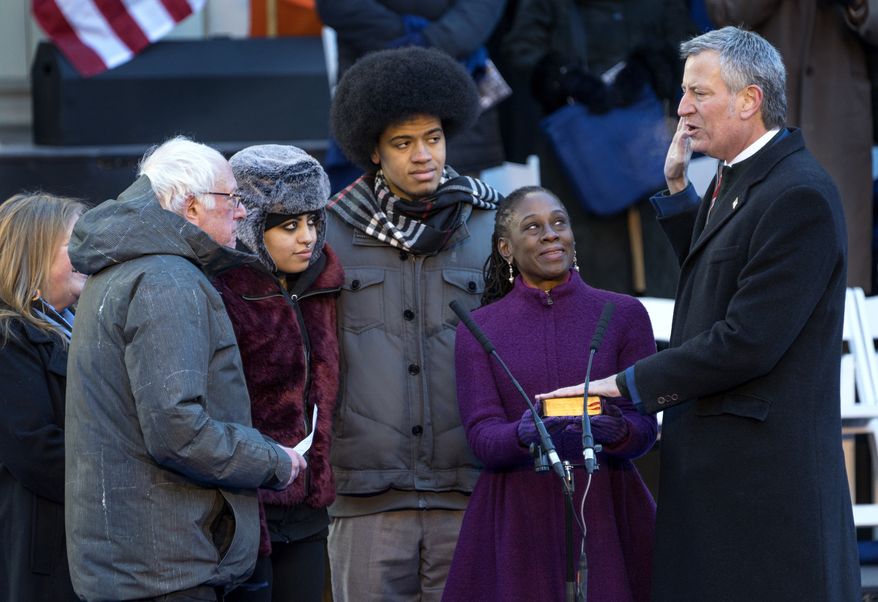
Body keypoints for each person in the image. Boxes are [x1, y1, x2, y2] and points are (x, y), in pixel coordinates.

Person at [539, 27, 861, 600]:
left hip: (764, 488)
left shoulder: (798, 194)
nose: (682, 107)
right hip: (729, 475)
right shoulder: (744, 178)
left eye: (698, 93)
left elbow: (747, 339)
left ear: (749, 100)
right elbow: (724, 273)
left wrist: (628, 384)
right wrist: (678, 192)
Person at [65, 136, 308, 601]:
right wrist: (274, 460)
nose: (241, 211)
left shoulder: (125, 268)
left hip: (141, 561)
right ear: (191, 206)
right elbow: (178, 430)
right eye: (231, 198)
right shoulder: (166, 278)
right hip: (166, 565)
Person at [324, 46, 503, 601]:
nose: (423, 155)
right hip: (366, 492)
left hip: (471, 487)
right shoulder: (328, 234)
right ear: (374, 150)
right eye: (403, 143)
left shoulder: (498, 224)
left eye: (433, 138)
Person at [441, 186, 657, 602]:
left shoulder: (624, 314)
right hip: (517, 518)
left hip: (609, 509)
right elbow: (482, 437)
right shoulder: (479, 328)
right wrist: (524, 432)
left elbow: (644, 428)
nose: (551, 234)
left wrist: (614, 429)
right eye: (533, 227)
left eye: (559, 223)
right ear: (506, 247)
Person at [216, 145, 343, 602]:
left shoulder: (325, 284)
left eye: (313, 221)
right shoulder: (222, 290)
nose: (307, 237)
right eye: (289, 226)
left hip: (310, 502)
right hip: (249, 506)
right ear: (250, 226)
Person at [500, 0, 696, 297]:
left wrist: (651, 66)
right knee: (589, 264)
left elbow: (687, 45)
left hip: (645, 135)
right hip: (577, 147)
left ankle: (662, 340)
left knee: (661, 256)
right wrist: (565, 77)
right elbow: (522, 49)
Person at [706, 1, 877, 291]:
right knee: (755, 240)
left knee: (842, 256)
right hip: (760, 114)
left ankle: (842, 336)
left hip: (840, 118)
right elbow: (727, 12)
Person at [315, 0, 506, 191]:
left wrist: (428, 42)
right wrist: (410, 39)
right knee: (365, 210)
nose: (421, 156)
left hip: (455, 96)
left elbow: (480, 9)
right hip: (372, 94)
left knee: (456, 208)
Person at [0, 193, 85, 601]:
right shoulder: (8, 337)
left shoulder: (82, 325)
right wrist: (115, 476)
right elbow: (33, 447)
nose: (91, 252)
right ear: (34, 253)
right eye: (76, 242)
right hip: (44, 553)